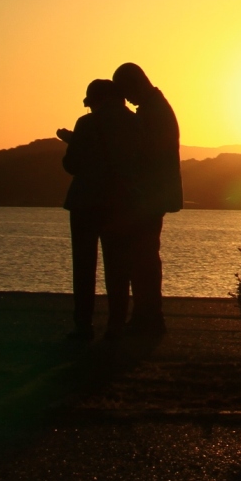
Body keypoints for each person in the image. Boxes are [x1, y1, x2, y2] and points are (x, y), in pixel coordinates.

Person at [59, 78, 143, 340]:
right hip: (120, 204)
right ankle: (116, 324)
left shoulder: (87, 124)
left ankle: (83, 325)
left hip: (84, 203)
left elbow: (72, 164)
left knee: (84, 267)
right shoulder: (134, 124)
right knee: (118, 268)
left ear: (97, 101)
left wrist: (73, 144)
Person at [114, 62, 181, 336]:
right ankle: (148, 314)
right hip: (152, 195)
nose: (127, 99)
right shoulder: (155, 108)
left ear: (136, 84)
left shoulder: (153, 112)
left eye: (127, 91)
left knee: (143, 258)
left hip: (149, 196)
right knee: (144, 257)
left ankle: (149, 317)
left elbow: (145, 154)